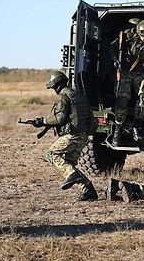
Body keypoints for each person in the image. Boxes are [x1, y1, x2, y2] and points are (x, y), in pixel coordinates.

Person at [33, 71, 98, 201]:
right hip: (83, 136)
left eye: (53, 87)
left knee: (51, 154)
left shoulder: (63, 97)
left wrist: (43, 121)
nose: (54, 90)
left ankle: (73, 175)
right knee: (67, 163)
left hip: (72, 136)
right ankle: (89, 191)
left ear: (58, 85)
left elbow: (60, 118)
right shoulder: (79, 96)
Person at [111, 19, 144, 147]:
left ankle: (136, 125)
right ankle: (118, 129)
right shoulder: (128, 36)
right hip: (126, 72)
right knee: (122, 100)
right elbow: (112, 47)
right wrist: (114, 59)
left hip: (141, 73)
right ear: (138, 33)